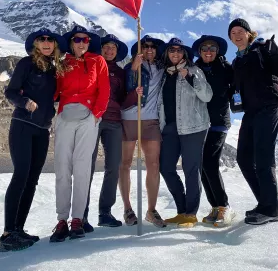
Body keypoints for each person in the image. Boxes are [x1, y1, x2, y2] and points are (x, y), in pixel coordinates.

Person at [0, 29, 66, 252]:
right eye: (42, 40)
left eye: (50, 40)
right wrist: (24, 101)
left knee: (32, 180)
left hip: (43, 130)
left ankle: (19, 229)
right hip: (23, 125)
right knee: (20, 175)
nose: (46, 43)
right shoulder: (26, 64)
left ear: (55, 45)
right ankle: (8, 233)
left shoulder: (55, 70)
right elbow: (10, 92)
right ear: (35, 44)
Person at [50, 25, 110, 242]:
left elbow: (104, 89)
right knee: (62, 168)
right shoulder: (62, 62)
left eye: (85, 40)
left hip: (88, 118)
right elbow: (55, 90)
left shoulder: (97, 61)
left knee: (82, 168)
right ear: (71, 42)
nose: (82, 43)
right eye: (77, 39)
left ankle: (77, 219)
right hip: (65, 116)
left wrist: (96, 115)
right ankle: (61, 220)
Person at [228, 18, 278, 225]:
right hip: (251, 111)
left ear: (248, 33)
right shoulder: (237, 61)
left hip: (271, 105)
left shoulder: (262, 49)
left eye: (240, 31)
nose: (236, 35)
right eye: (232, 33)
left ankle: (271, 209)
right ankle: (264, 203)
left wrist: (276, 52)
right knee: (244, 158)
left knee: (263, 156)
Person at [157, 38, 213, 228]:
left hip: (194, 127)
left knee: (191, 169)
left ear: (184, 54)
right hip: (170, 128)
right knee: (166, 167)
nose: (175, 54)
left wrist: (190, 78)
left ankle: (191, 213)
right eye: (172, 50)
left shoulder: (194, 71)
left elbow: (207, 96)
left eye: (179, 51)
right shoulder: (164, 74)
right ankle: (181, 211)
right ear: (167, 53)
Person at [120, 35, 167, 228]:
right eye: (145, 46)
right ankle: (128, 209)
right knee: (125, 163)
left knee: (153, 163)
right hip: (130, 118)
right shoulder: (130, 67)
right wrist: (133, 67)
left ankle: (151, 210)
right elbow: (128, 87)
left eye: (152, 47)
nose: (149, 49)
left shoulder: (162, 69)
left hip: (151, 120)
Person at [83, 34, 128, 231]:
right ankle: (81, 215)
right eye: (106, 47)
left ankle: (105, 212)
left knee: (114, 166)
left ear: (117, 52)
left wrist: (136, 93)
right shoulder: (90, 64)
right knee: (87, 166)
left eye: (113, 48)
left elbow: (124, 97)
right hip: (92, 118)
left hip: (114, 121)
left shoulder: (120, 72)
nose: (109, 51)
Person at [192, 35, 236, 227]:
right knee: (202, 165)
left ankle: (224, 206)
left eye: (212, 48)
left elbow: (238, 87)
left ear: (218, 51)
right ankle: (215, 207)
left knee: (209, 162)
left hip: (218, 122)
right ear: (199, 51)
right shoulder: (195, 69)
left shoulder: (226, 68)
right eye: (205, 48)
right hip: (200, 123)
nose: (208, 51)